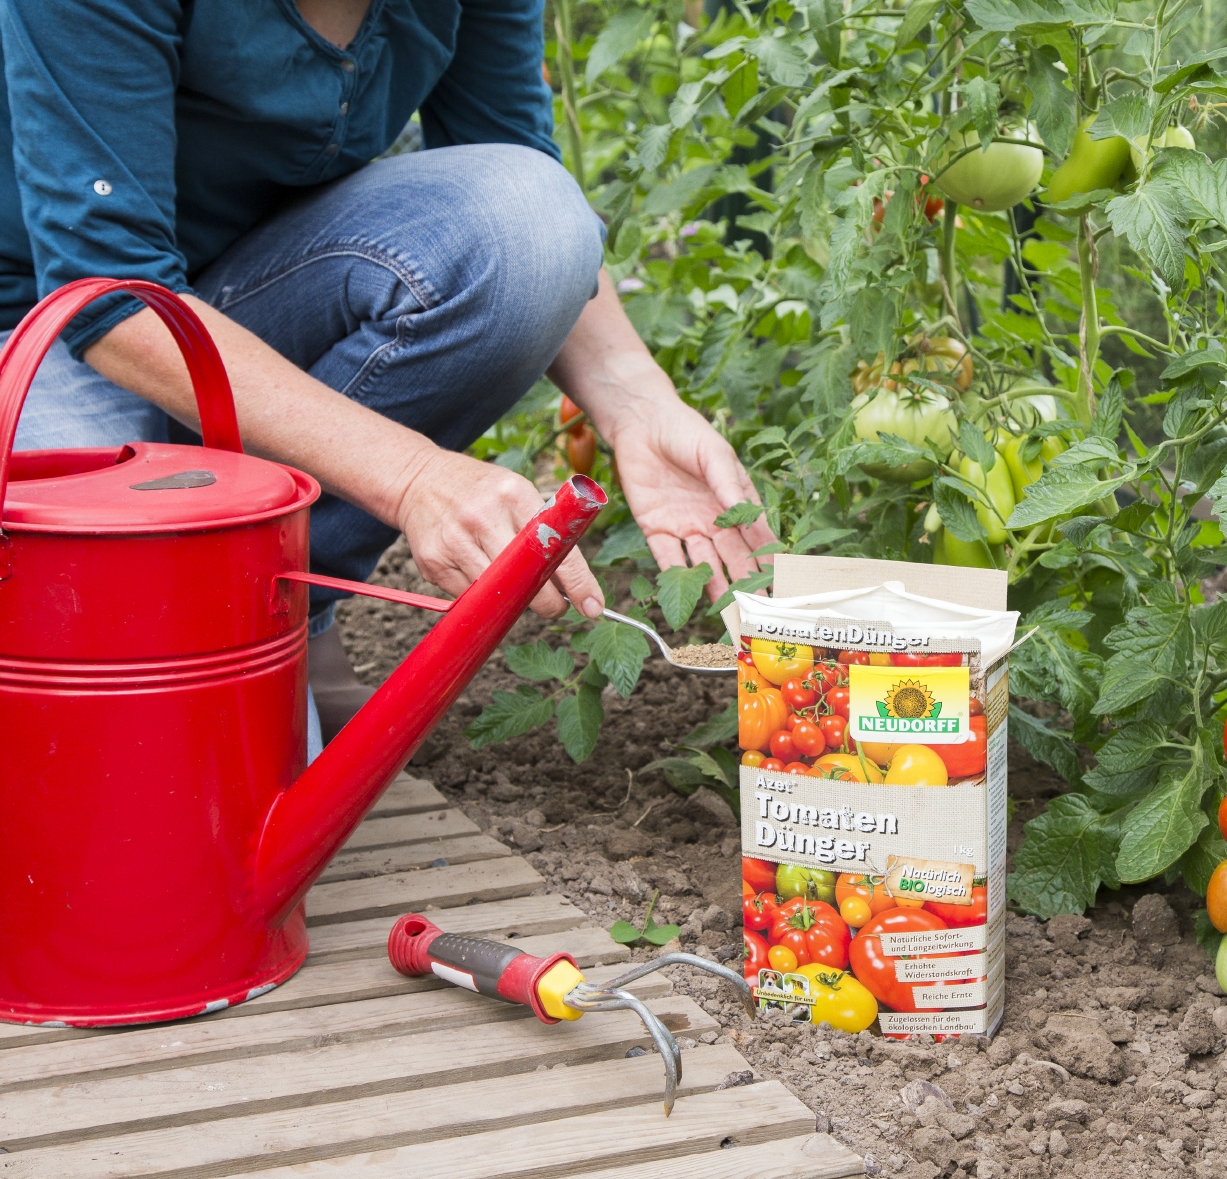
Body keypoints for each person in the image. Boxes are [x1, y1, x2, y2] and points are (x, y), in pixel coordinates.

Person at [0, 0, 775, 742]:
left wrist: (637, 402)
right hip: (47, 318)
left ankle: (278, 607)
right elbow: (110, 295)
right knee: (107, 727)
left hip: (249, 287)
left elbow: (518, 178)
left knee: (525, 219)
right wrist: (411, 478)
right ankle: (211, 613)